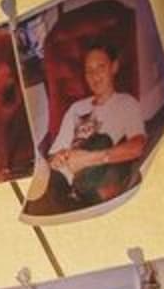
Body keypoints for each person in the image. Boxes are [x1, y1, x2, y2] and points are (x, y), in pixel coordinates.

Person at [46, 41, 147, 207]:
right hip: (63, 181)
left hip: (94, 177)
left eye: (100, 67)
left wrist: (89, 159)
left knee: (102, 140)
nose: (94, 76)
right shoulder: (76, 108)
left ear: (114, 67)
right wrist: (57, 158)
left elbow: (138, 147)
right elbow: (53, 153)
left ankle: (79, 195)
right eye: (89, 71)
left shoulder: (126, 103)